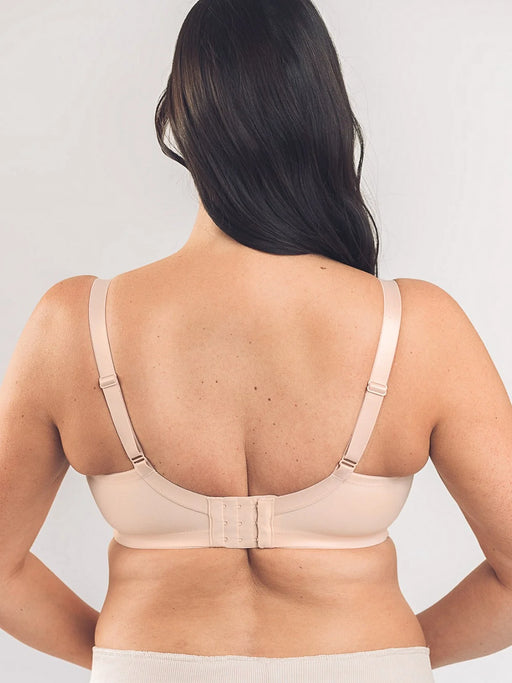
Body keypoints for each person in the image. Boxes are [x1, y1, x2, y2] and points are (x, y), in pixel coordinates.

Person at [1, 1, 512, 681]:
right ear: (328, 119)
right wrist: (391, 655)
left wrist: (127, 659)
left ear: (177, 121)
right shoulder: (420, 327)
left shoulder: (73, 324)